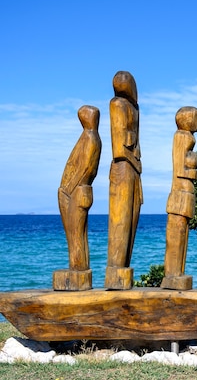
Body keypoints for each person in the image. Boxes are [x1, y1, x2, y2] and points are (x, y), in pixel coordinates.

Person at [53, 105, 101, 291]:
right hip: (78, 190)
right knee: (76, 233)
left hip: (78, 191)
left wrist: (68, 188)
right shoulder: (89, 136)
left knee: (76, 232)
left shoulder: (90, 138)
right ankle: (78, 265)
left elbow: (87, 168)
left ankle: (78, 266)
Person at [105, 71, 142, 290]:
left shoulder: (135, 108)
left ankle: (123, 268)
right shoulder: (117, 105)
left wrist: (137, 164)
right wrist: (135, 162)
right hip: (123, 169)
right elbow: (119, 149)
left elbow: (135, 143)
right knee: (121, 220)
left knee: (132, 217)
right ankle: (115, 271)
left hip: (133, 170)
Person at [162, 106, 197, 290]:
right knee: (178, 231)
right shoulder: (183, 137)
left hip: (185, 192)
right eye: (195, 117)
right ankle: (172, 273)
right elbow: (180, 169)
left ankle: (177, 272)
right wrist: (192, 165)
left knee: (183, 232)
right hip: (180, 191)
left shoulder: (188, 138)